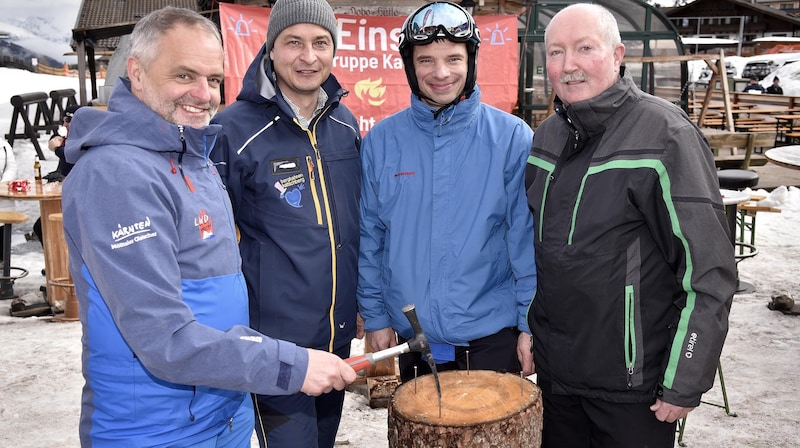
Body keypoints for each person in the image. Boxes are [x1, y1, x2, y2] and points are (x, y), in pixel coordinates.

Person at [61, 7, 356, 447]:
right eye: (184, 76)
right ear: (136, 73)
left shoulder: (192, 153)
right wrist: (287, 362)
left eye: (214, 79)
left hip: (221, 409)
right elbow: (163, 336)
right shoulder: (116, 174)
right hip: (157, 429)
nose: (203, 94)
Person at [525, 4, 735, 447]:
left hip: (633, 390)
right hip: (558, 381)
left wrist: (684, 378)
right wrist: (529, 330)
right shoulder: (547, 138)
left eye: (585, 48)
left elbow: (708, 273)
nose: (569, 65)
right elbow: (539, 255)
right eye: (557, 52)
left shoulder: (665, 136)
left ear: (618, 54)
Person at [357, 1, 537, 385]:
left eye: (453, 58)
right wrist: (374, 317)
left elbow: (525, 241)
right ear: (410, 65)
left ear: (470, 61)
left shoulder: (511, 138)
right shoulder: (381, 142)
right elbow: (371, 238)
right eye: (426, 60)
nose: (440, 73)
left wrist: (528, 323)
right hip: (415, 341)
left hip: (491, 339)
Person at [210, 0, 362, 447]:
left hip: (336, 334)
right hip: (276, 341)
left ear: (334, 51)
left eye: (320, 43)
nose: (308, 56)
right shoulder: (233, 129)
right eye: (293, 42)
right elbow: (210, 236)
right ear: (270, 50)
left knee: (323, 439)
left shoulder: (344, 123)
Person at [31, 104, 83, 250]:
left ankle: (63, 265)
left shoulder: (85, 139)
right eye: (64, 120)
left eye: (68, 120)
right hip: (64, 194)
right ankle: (54, 265)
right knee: (42, 226)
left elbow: (71, 157)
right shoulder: (70, 137)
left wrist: (57, 148)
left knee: (47, 226)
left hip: (79, 198)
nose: (65, 123)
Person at [0, 138, 18, 266]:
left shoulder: (4, 146)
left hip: (4, 202)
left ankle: (4, 276)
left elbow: (12, 169)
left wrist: (2, 186)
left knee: (3, 242)